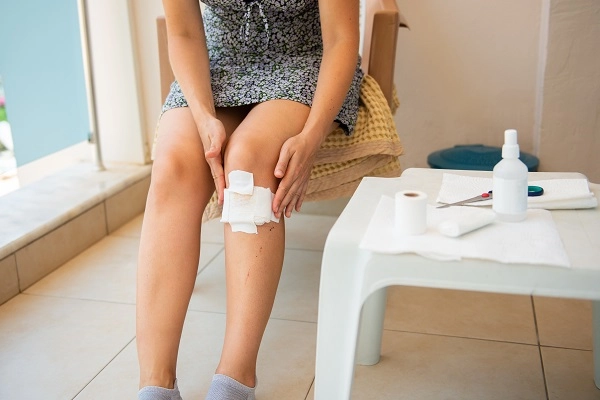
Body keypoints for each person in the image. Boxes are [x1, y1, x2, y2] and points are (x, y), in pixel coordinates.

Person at [136, 0, 363, 399]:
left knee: (247, 163)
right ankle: (156, 383)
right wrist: (203, 115)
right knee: (172, 164)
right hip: (217, 63)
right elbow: (185, 33)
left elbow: (342, 39)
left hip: (304, 61)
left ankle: (235, 379)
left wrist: (310, 140)